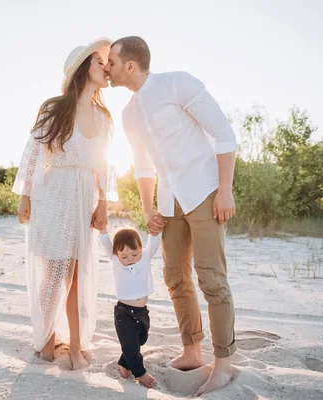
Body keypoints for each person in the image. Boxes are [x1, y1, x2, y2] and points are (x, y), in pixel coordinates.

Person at [104, 36, 239, 395]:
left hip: (205, 190)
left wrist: (225, 190)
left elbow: (224, 136)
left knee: (211, 277)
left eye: (112, 63)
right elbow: (142, 163)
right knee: (175, 277)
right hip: (169, 202)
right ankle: (192, 350)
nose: (107, 69)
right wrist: (148, 207)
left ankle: (223, 362)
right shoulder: (129, 113)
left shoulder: (178, 83)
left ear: (130, 65)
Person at [12, 38, 116, 370]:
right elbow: (33, 152)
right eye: (100, 61)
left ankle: (73, 348)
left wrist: (103, 203)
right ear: (84, 67)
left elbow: (105, 165)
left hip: (85, 195)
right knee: (55, 272)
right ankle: (45, 341)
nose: (106, 66)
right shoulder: (54, 108)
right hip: (53, 193)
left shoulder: (104, 118)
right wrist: (25, 195)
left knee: (76, 273)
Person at [99, 226, 161, 388]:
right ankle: (140, 373)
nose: (130, 259)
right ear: (116, 254)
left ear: (141, 249)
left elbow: (154, 241)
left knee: (140, 339)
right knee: (131, 345)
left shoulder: (146, 256)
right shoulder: (115, 261)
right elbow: (106, 243)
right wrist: (103, 230)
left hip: (142, 312)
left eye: (134, 254)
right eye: (124, 256)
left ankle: (124, 363)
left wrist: (155, 230)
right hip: (124, 313)